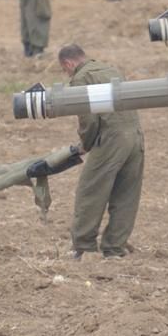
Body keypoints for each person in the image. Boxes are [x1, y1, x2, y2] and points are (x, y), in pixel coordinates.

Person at [57, 45, 144, 260]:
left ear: (68, 63)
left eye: (64, 70)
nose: (67, 74)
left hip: (111, 139)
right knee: (126, 195)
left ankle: (84, 246)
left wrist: (85, 144)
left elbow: (88, 119)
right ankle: (115, 247)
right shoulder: (111, 69)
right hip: (135, 137)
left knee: (90, 191)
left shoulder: (81, 78)